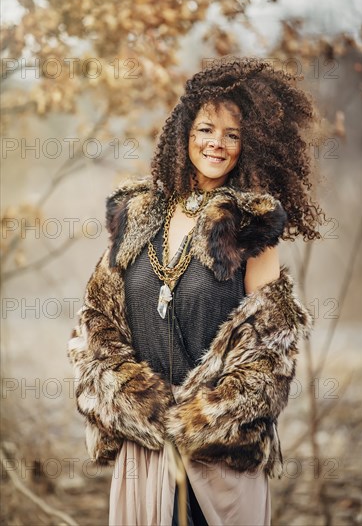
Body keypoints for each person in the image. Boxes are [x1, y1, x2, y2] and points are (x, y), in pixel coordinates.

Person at [68, 57, 324, 525]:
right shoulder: (136, 215)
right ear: (185, 131)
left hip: (217, 463)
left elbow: (269, 353)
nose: (217, 144)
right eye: (207, 128)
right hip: (145, 454)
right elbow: (95, 323)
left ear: (250, 146)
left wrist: (199, 421)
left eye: (233, 135)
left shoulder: (249, 226)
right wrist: (135, 401)